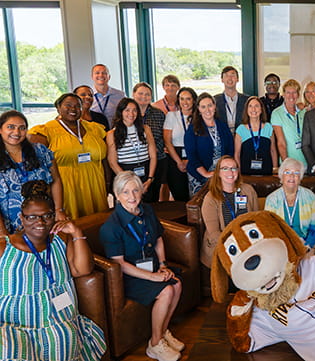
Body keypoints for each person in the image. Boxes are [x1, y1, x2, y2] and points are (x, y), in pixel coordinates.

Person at [0, 180, 106, 361]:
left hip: (58, 320)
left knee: (62, 340)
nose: (40, 222)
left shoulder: (60, 241)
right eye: (32, 217)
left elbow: (83, 269)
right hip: (15, 325)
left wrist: (76, 231)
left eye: (47, 216)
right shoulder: (4, 247)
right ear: (22, 218)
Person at [100, 171, 184, 361]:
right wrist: (153, 277)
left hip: (152, 267)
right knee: (167, 291)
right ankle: (154, 344)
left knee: (176, 283)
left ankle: (163, 332)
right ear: (117, 195)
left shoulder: (147, 210)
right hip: (129, 276)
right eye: (126, 192)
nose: (132, 197)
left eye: (136, 190)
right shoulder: (111, 226)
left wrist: (162, 265)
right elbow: (119, 264)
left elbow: (158, 239)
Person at [29, 93, 109, 220]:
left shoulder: (94, 128)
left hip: (95, 185)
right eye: (68, 105)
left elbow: (104, 159)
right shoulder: (46, 131)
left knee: (98, 223)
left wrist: (108, 183)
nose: (73, 109)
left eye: (78, 106)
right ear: (58, 107)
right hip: (66, 188)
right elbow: (37, 167)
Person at [0, 110, 65, 234]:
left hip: (44, 219)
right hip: (10, 224)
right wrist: (2, 231)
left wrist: (58, 209)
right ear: (0, 129)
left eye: (22, 128)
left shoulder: (41, 151)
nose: (16, 132)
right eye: (10, 127)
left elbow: (56, 181)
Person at [200, 156, 258, 269]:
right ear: (218, 173)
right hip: (222, 245)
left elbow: (256, 219)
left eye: (233, 168)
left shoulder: (248, 190)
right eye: (225, 168)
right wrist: (237, 245)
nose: (230, 172)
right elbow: (214, 233)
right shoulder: (211, 198)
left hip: (248, 243)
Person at [106, 98, 158, 202]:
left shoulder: (146, 129)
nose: (131, 113)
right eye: (127, 110)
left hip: (146, 173)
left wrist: (149, 179)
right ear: (121, 112)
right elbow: (112, 162)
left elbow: (153, 156)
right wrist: (129, 182)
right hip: (125, 176)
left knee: (150, 208)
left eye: (134, 110)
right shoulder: (112, 134)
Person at [264, 158, 315, 250]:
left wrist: (307, 246)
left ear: (300, 177)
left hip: (306, 244)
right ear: (281, 176)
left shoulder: (310, 196)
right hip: (281, 246)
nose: (292, 176)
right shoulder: (272, 199)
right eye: (287, 172)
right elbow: (269, 228)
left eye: (296, 173)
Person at [185, 93, 234, 195]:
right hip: (199, 175)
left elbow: (230, 149)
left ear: (215, 107)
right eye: (203, 107)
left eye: (210, 105)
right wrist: (205, 174)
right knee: (201, 205)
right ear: (198, 109)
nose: (207, 110)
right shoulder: (193, 129)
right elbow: (192, 155)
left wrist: (224, 170)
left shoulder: (222, 126)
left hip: (220, 174)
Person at [133, 82, 167, 203]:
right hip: (135, 162)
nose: (144, 96)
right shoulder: (128, 113)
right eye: (140, 93)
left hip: (157, 159)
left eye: (147, 94)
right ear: (133, 94)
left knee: (153, 193)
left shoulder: (159, 114)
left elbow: (164, 137)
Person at [163, 87, 197, 202]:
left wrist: (190, 160)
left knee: (196, 194)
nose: (185, 102)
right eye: (182, 99)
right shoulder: (171, 116)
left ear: (193, 100)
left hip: (195, 156)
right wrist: (179, 161)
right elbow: (167, 142)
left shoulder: (199, 117)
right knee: (179, 194)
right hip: (175, 157)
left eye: (188, 99)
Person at [234, 96, 278, 175]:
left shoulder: (268, 127)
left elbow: (273, 150)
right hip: (246, 172)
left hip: (266, 171)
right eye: (250, 106)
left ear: (261, 109)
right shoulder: (240, 129)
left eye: (256, 106)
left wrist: (275, 169)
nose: (253, 109)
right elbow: (237, 154)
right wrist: (238, 172)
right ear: (246, 110)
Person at [271, 79, 307, 167]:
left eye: (294, 92)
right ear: (283, 94)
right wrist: (286, 164)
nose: (291, 96)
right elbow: (281, 143)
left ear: (298, 94)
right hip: (289, 162)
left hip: (307, 161)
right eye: (288, 92)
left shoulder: (304, 111)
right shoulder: (277, 113)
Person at [214, 66, 249, 135]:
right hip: (222, 137)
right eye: (226, 75)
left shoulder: (247, 100)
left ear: (237, 79)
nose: (230, 78)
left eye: (232, 75)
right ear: (222, 80)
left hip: (242, 137)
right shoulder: (214, 100)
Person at [89, 63, 125, 128]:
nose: (101, 75)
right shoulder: (87, 96)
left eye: (104, 73)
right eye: (97, 73)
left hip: (115, 132)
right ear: (92, 77)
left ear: (109, 77)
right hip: (94, 134)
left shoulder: (120, 95)